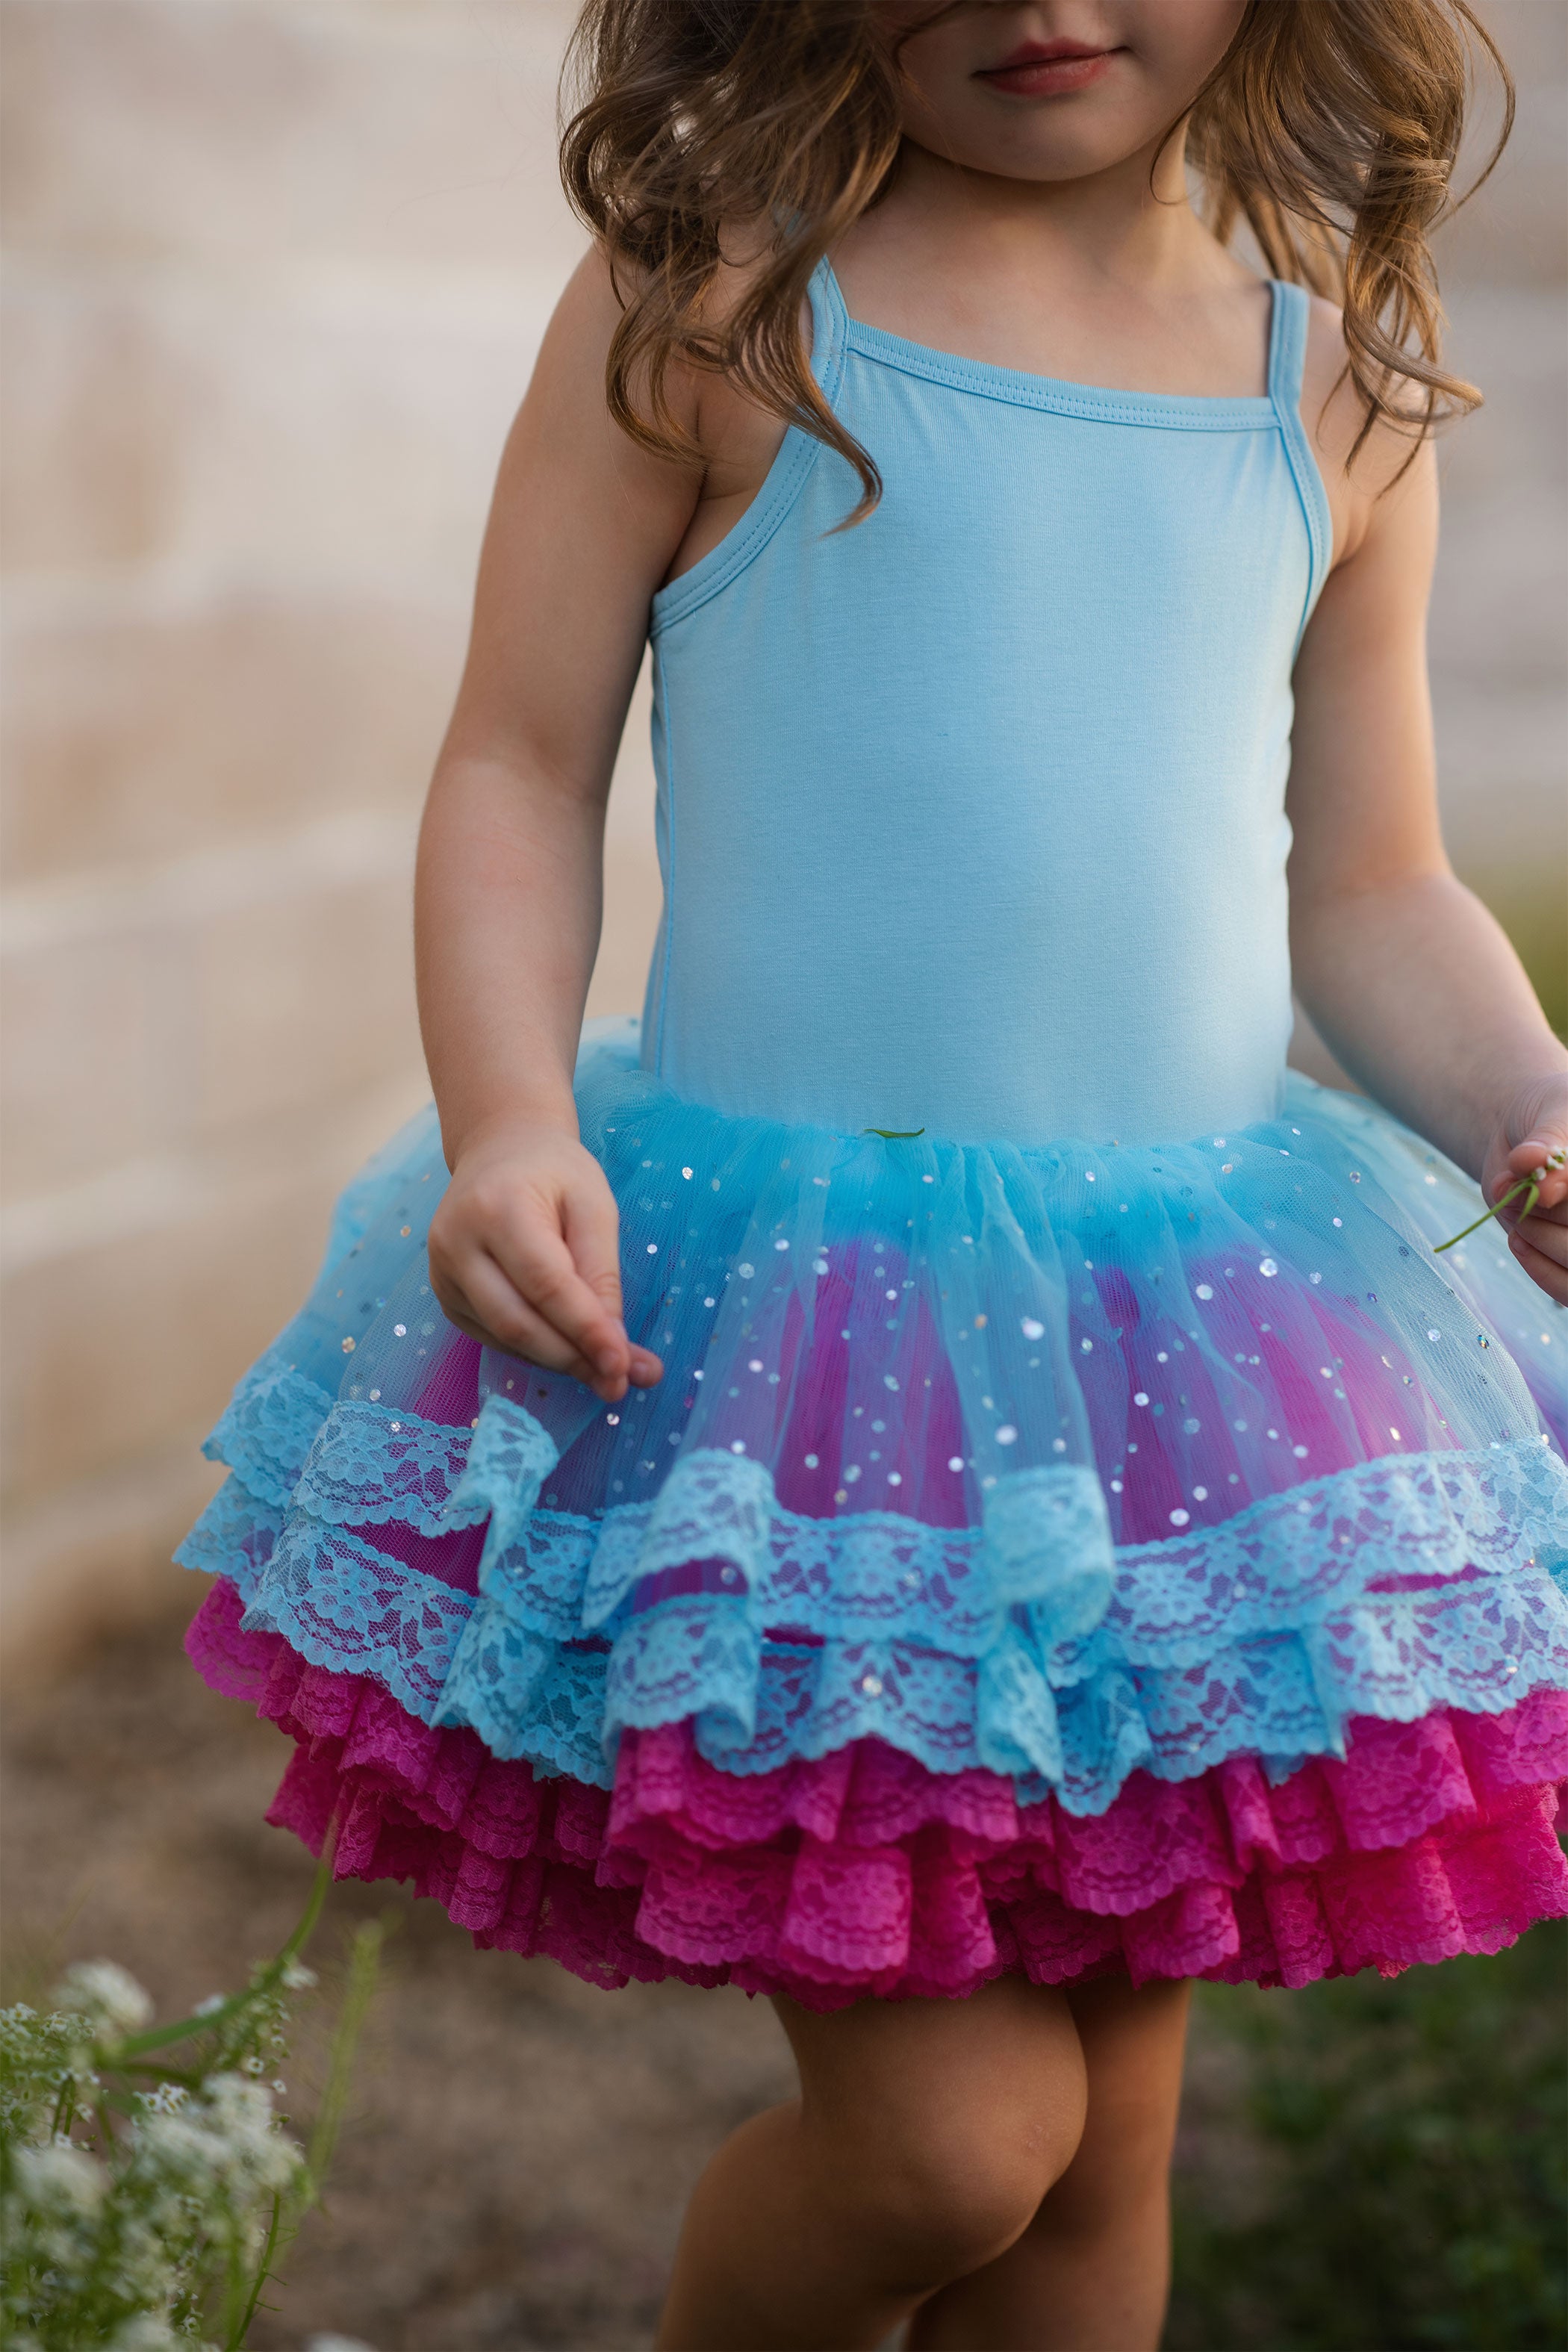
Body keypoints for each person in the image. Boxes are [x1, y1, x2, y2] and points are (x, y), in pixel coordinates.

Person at [179, 4, 1568, 2345]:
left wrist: (1525, 1106)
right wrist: (509, 1116)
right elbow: (517, 764)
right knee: (947, 2148)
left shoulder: (1319, 379)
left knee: (1098, 2176)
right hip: (801, 1352)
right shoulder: (718, 304)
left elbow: (1368, 886)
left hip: (1188, 1358)